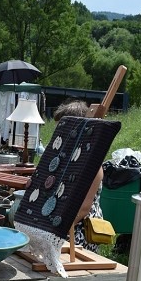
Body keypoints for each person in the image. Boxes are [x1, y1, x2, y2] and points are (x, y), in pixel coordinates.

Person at [53, 99, 104, 252]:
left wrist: (54, 228)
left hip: (79, 227)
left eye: (63, 129)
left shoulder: (92, 164)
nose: (58, 134)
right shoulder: (64, 156)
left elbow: (84, 208)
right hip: (62, 220)